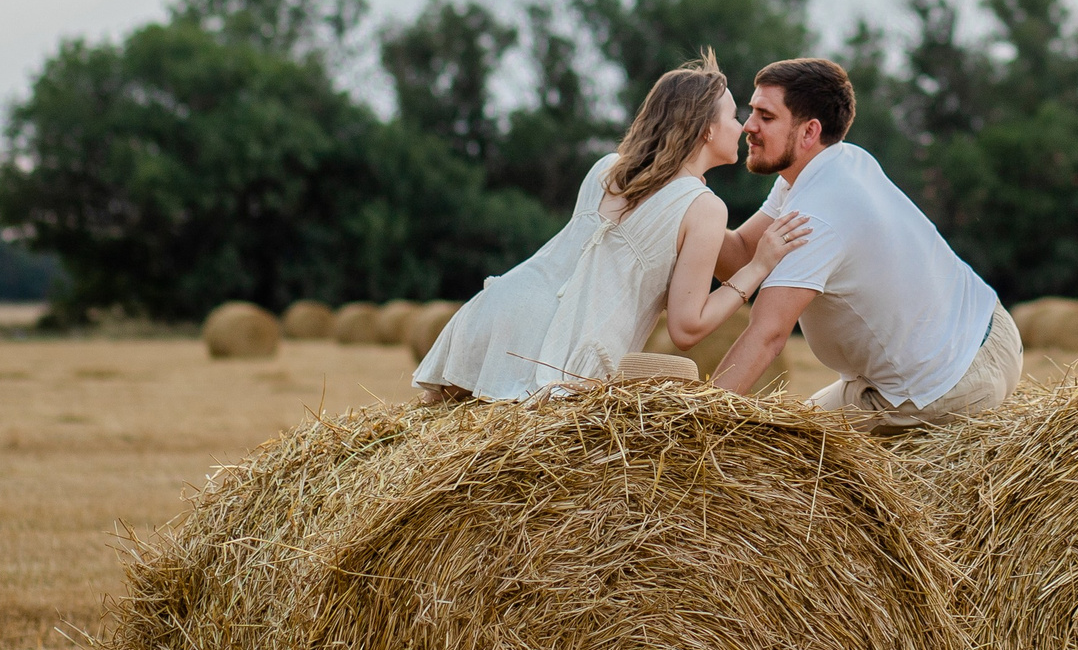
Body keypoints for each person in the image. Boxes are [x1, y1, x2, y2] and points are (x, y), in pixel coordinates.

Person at [414, 52, 810, 401]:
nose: (742, 127)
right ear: (706, 129)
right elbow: (687, 329)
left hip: (503, 309)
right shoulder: (704, 207)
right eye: (733, 116)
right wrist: (758, 266)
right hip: (562, 348)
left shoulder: (608, 167)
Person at [708, 57, 1022, 427]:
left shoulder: (818, 213)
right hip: (991, 333)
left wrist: (696, 422)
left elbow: (768, 335)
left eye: (766, 116)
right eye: (752, 112)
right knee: (789, 433)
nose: (748, 125)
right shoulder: (832, 163)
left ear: (809, 132)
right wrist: (686, 210)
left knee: (786, 455)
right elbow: (742, 255)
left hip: (946, 385)